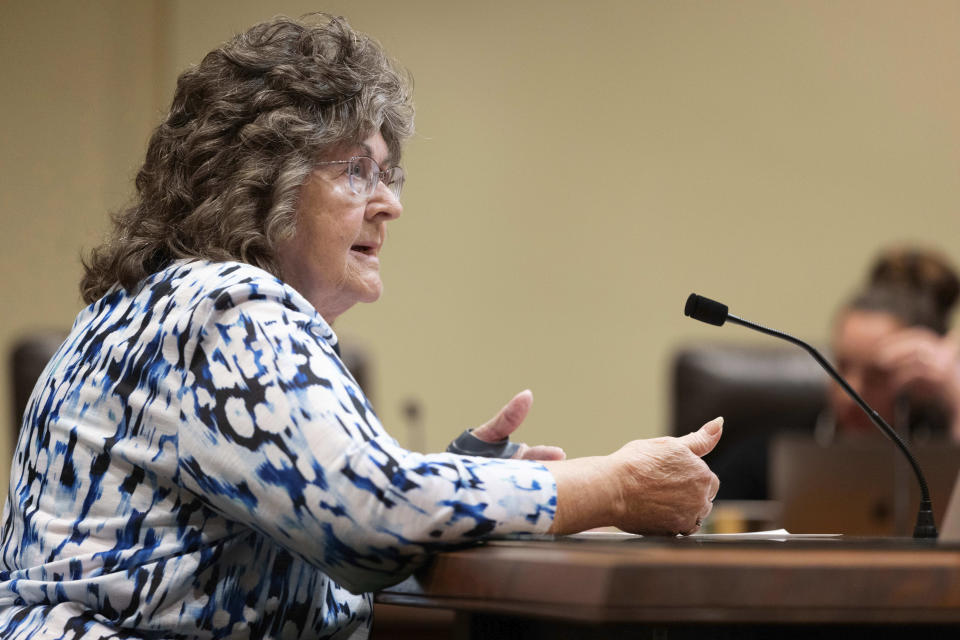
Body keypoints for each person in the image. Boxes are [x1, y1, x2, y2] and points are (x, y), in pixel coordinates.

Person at [0, 15, 720, 639]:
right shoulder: (226, 307)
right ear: (261, 183)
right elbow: (373, 520)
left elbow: (322, 547)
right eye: (356, 172)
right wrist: (616, 486)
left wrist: (468, 489)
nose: (389, 205)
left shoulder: (140, 306)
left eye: (389, 175)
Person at [714, 246, 960, 500]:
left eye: (876, 375)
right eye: (841, 367)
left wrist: (955, 397)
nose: (849, 392)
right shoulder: (765, 460)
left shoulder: (944, 450)